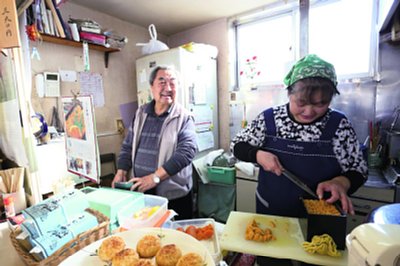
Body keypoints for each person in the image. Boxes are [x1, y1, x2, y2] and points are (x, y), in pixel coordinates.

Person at [231, 54, 368, 264]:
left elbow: (358, 169)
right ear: (289, 93)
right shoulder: (269, 119)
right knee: (272, 261)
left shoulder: (339, 125)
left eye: (320, 104)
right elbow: (237, 145)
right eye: (301, 102)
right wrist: (257, 154)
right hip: (273, 215)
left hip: (321, 222)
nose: (309, 111)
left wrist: (341, 182)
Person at [112, 65, 198, 220]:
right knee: (147, 237)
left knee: (174, 240)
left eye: (172, 83)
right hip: (142, 191)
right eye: (162, 82)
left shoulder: (184, 117)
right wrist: (121, 171)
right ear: (151, 87)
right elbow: (128, 145)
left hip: (173, 196)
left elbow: (186, 153)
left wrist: (155, 177)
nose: (168, 87)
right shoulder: (141, 112)